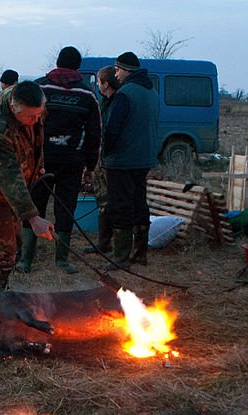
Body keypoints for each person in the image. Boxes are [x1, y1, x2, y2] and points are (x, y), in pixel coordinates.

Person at [0, 80, 54, 289]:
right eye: (30, 117)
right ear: (14, 108)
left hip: (16, 181)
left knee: (14, 242)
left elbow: (35, 139)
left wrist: (37, 165)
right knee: (3, 251)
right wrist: (33, 218)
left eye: (38, 114)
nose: (36, 120)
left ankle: (2, 292)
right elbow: (7, 175)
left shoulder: (34, 106)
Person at [25, 46, 100, 274]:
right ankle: (62, 260)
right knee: (66, 208)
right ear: (78, 67)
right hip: (72, 160)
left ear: (57, 63)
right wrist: (90, 165)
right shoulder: (87, 94)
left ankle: (25, 259)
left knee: (34, 206)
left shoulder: (39, 87)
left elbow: (25, 123)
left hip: (40, 160)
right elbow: (94, 133)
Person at [101, 51, 159, 269]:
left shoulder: (125, 94)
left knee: (121, 206)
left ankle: (121, 257)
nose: (116, 74)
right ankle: (140, 253)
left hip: (123, 160)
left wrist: (106, 152)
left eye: (117, 70)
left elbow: (113, 128)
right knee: (139, 203)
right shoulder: (152, 93)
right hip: (145, 158)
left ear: (126, 70)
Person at [84, 65, 120, 254]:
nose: (97, 85)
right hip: (102, 157)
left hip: (110, 159)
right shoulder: (104, 102)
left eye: (98, 81)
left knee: (108, 202)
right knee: (102, 200)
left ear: (105, 83)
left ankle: (107, 243)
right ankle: (104, 242)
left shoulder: (116, 103)